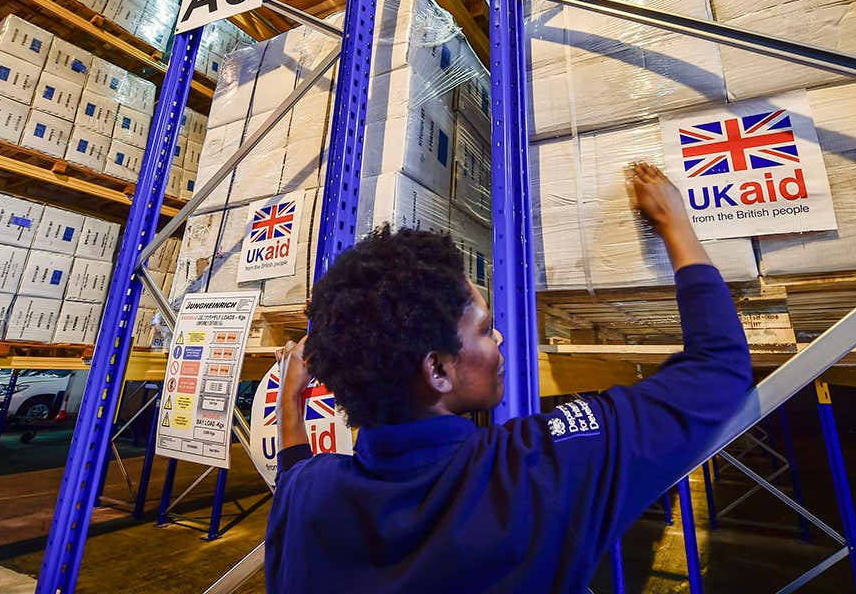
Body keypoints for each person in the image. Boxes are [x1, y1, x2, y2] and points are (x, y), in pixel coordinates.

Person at [265, 162, 753, 592]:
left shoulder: (310, 500)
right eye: (483, 329)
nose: (499, 339)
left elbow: (294, 471)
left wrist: (291, 401)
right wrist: (675, 223)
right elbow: (720, 367)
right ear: (436, 369)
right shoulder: (538, 469)